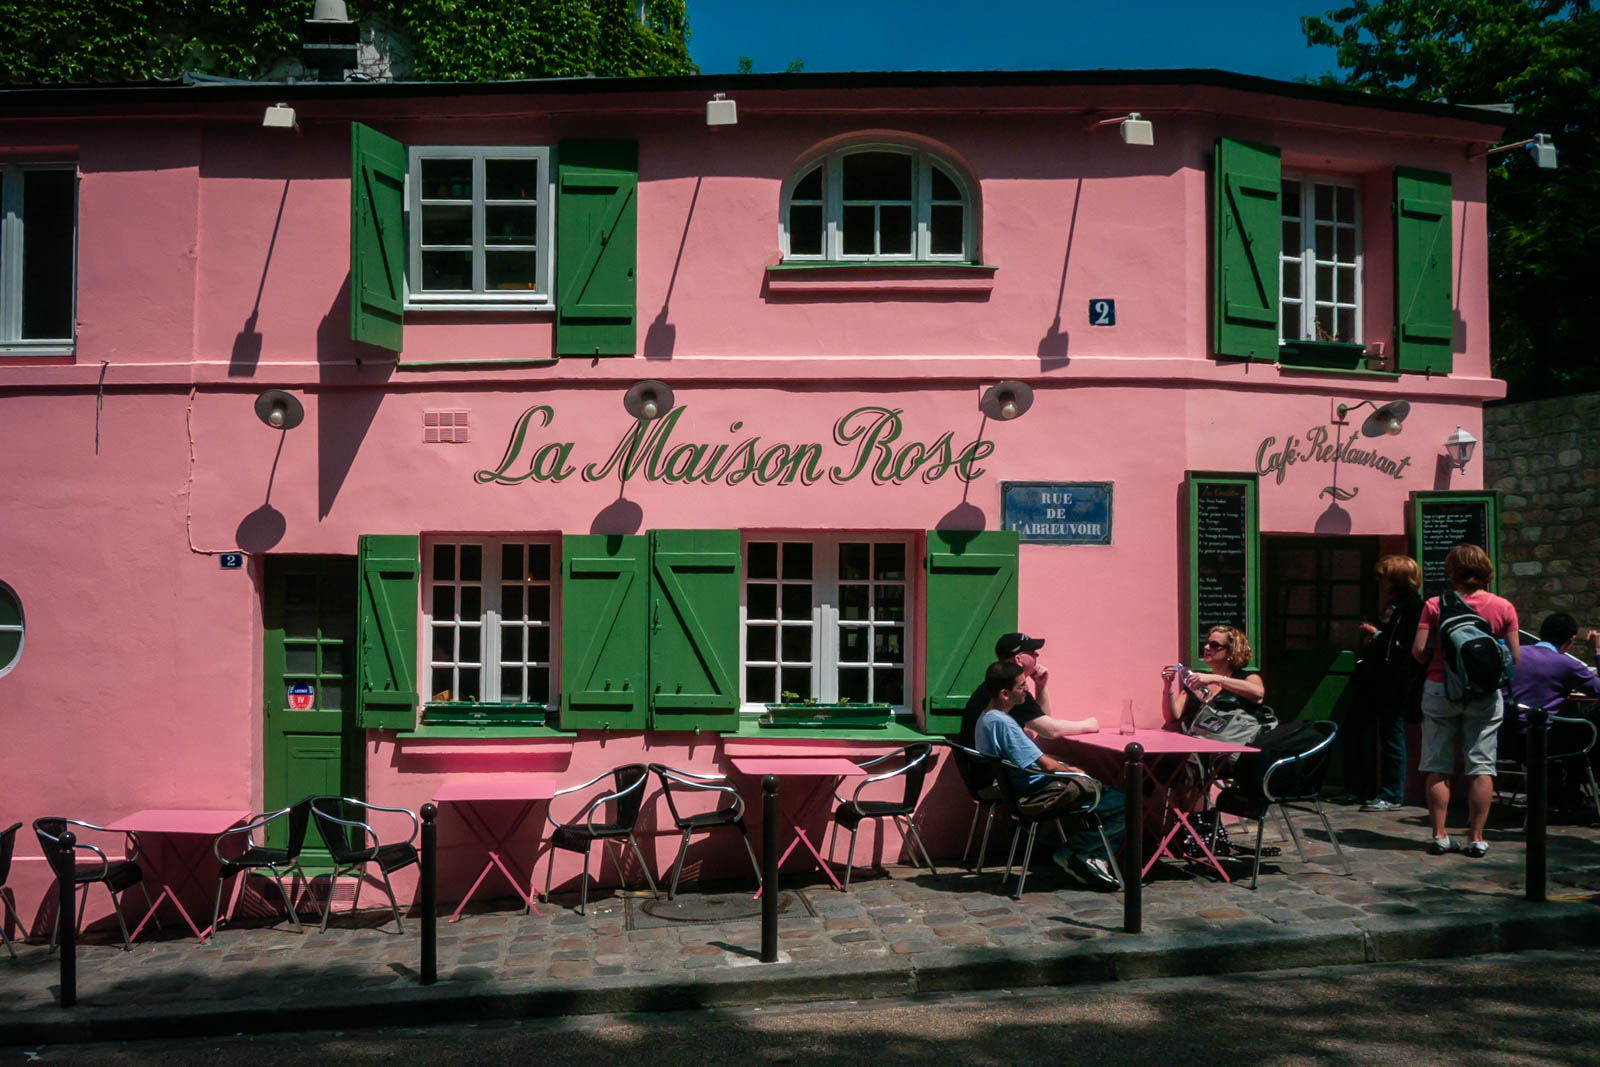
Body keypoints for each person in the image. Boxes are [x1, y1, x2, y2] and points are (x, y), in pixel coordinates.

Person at [973, 660, 1124, 890]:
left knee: (1104, 792)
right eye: (1022, 686)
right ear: (1005, 693)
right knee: (1127, 804)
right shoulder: (1005, 724)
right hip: (1039, 793)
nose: (1027, 690)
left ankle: (1088, 856)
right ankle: (1077, 852)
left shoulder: (986, 718)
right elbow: (1045, 765)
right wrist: (1072, 771)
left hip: (1020, 792)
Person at [1410, 543, 1520, 857]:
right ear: (1486, 570)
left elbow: (1418, 651)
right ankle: (1476, 837)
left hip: (1440, 688)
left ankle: (1440, 835)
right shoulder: (1503, 606)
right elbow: (1514, 657)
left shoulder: (1434, 604)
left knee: (1437, 765)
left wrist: (1439, 661)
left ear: (1451, 571)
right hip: (1483, 693)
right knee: (1481, 765)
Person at [1346, 555, 1425, 811]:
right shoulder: (1395, 604)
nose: (1379, 581)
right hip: (1378, 678)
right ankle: (1361, 787)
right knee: (1366, 731)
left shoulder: (1411, 607)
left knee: (1391, 734)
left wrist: (1375, 634)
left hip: (1395, 681)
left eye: (1383, 576)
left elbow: (1401, 645)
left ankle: (1391, 793)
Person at [1506, 613, 1600, 819]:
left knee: (1572, 729)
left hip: (1507, 738)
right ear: (1572, 640)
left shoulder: (1513, 655)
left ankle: (1557, 795)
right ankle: (1571, 796)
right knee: (1588, 736)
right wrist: (1597, 652)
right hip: (1544, 740)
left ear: (1540, 633)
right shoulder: (1566, 664)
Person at [956, 632, 1099, 749]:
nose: (1037, 656)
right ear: (1018, 659)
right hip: (994, 778)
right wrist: (1088, 724)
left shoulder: (996, 684)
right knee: (1079, 770)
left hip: (984, 771)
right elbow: (1051, 731)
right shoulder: (1011, 692)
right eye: (1032, 652)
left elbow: (1043, 721)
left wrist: (1040, 685)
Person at [1161, 625, 1270, 735]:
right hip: (1197, 745)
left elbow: (1258, 693)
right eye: (1207, 643)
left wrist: (1216, 678)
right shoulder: (1198, 679)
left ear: (1231, 651)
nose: (1206, 647)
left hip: (1232, 746)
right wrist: (1167, 685)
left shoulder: (1247, 677)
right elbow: (1172, 717)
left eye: (1214, 645)